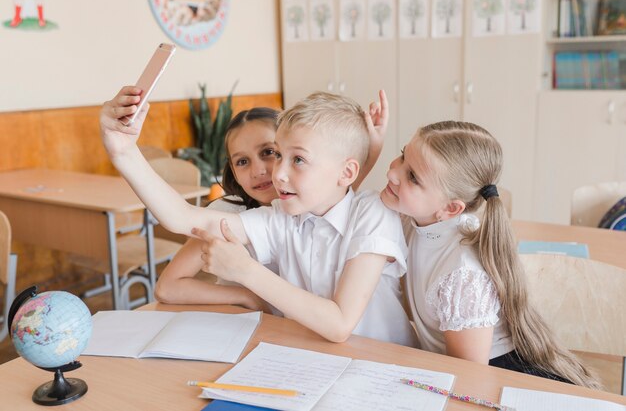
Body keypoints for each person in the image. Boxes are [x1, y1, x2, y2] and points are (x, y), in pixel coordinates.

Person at [100, 88, 416, 346]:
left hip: (384, 366)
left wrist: (246, 271)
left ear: (346, 172)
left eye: (298, 160)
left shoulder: (374, 212)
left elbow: (339, 325)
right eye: (280, 155)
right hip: (318, 358)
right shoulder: (281, 216)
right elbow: (183, 218)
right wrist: (124, 153)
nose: (277, 173)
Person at [379, 120, 601, 388]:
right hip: (461, 372)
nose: (393, 172)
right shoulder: (414, 219)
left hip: (500, 381)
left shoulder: (463, 274)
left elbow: (469, 379)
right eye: (403, 155)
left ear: (450, 208)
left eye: (412, 176)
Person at [154, 107, 281, 313]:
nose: (257, 171)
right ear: (233, 172)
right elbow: (168, 287)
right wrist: (247, 297)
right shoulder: (227, 212)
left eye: (268, 152)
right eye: (242, 162)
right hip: (244, 327)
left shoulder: (314, 211)